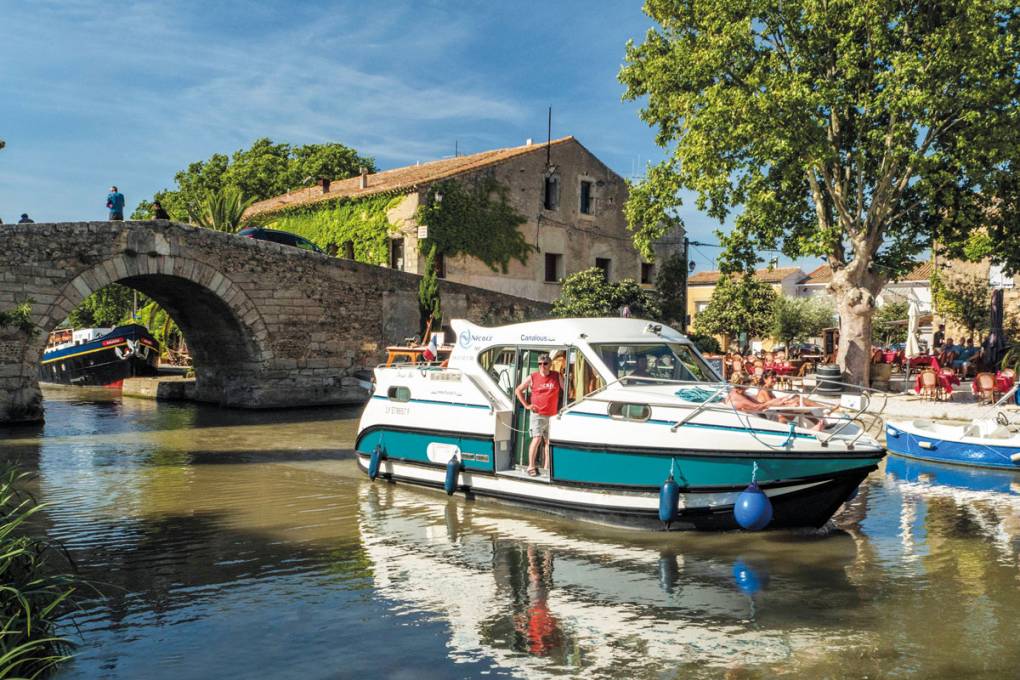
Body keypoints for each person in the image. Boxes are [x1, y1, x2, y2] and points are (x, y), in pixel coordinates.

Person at [515, 353, 564, 477]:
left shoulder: (557, 376)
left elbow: (566, 390)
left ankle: (546, 468)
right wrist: (527, 405)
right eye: (540, 364)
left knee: (549, 442)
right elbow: (518, 390)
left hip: (552, 415)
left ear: (550, 364)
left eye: (545, 363)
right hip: (537, 415)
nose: (542, 366)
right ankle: (531, 466)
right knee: (536, 439)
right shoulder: (532, 377)